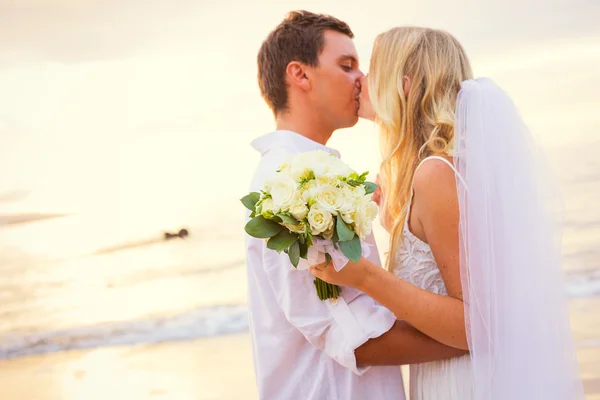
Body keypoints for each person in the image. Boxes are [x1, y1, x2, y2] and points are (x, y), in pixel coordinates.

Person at [310, 26, 585, 399]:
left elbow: (477, 325)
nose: (361, 79)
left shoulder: (437, 173)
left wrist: (367, 277)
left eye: (373, 68)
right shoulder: (434, 170)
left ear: (404, 85)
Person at [245, 12, 465, 400]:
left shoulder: (321, 174)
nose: (361, 80)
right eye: (346, 66)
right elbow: (351, 335)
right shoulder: (288, 183)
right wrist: (474, 336)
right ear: (300, 75)